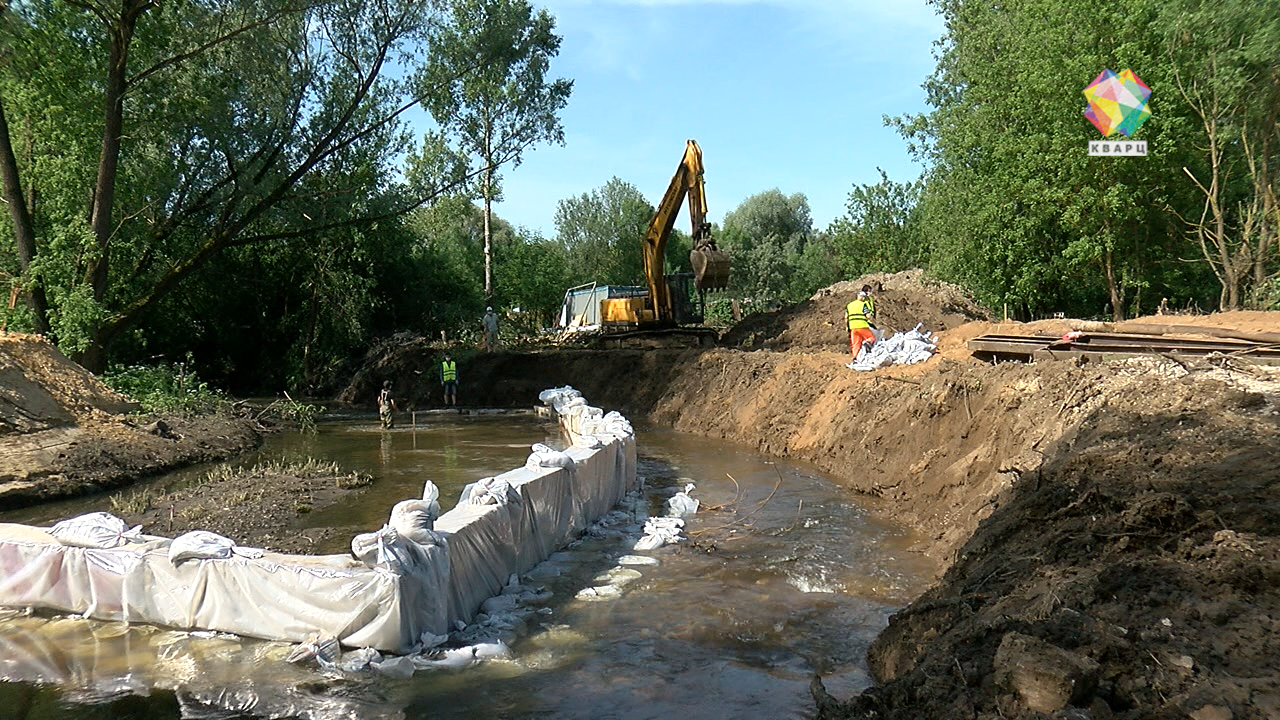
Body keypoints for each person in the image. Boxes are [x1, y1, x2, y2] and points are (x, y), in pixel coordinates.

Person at [845, 284, 878, 365]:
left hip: (853, 327)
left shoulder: (849, 305)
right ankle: (866, 344)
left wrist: (847, 327)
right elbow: (868, 316)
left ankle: (855, 358)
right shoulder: (863, 304)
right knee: (871, 338)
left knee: (855, 344)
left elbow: (846, 317)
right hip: (862, 325)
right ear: (862, 297)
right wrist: (870, 320)